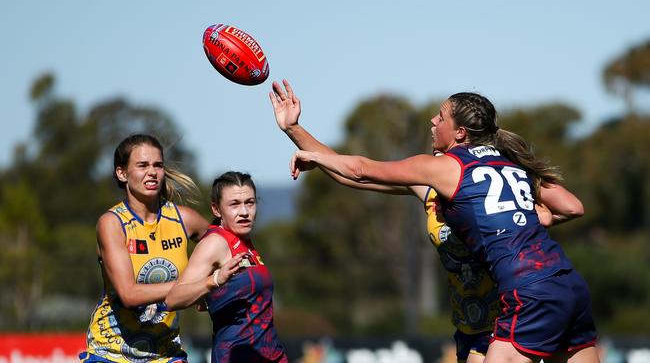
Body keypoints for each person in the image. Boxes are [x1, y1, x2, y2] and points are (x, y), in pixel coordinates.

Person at [269, 80, 585, 363]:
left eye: (441, 116)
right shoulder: (443, 181)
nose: (432, 121)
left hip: (508, 309)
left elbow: (360, 168)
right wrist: (294, 130)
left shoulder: (450, 170)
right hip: (476, 319)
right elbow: (355, 176)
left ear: (460, 133)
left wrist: (525, 218)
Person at [79, 134, 210, 363]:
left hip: (166, 354)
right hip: (112, 355)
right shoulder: (111, 223)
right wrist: (197, 285)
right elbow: (129, 294)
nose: (152, 172)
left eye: (158, 165)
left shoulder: (184, 219)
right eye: (142, 165)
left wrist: (214, 286)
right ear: (122, 173)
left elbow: (227, 250)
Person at [165, 171, 288, 363]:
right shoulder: (215, 243)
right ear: (216, 209)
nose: (245, 212)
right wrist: (214, 281)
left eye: (250, 202)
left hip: (272, 355)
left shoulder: (245, 242)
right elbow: (173, 298)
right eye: (234, 204)